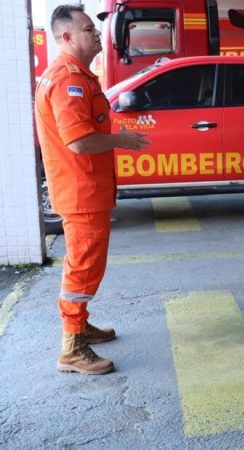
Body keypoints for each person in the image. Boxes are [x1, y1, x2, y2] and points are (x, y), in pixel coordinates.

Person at [35, 4, 151, 374]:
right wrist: (123, 140)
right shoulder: (68, 80)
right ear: (67, 37)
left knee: (86, 266)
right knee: (83, 269)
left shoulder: (79, 76)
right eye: (89, 29)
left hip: (85, 190)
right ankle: (72, 347)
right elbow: (80, 142)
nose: (97, 33)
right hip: (81, 192)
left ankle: (79, 325)